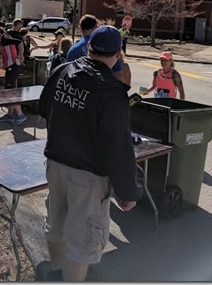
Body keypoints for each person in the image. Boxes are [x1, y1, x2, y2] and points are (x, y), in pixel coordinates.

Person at [38, 25, 143, 281]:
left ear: (88, 48)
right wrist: (128, 191)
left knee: (57, 225)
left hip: (55, 162)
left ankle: (55, 272)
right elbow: (118, 148)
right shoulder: (112, 92)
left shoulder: (62, 70)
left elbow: (43, 108)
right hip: (86, 176)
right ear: (119, 53)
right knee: (83, 241)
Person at [66, 15, 130, 85]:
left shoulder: (74, 49)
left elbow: (68, 75)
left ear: (80, 29)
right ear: (96, 27)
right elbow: (118, 74)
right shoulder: (108, 46)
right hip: (105, 89)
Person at [0, 26, 27, 126]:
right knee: (10, 90)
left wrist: (20, 56)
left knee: (10, 92)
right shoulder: (4, 40)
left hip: (13, 67)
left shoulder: (6, 39)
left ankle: (20, 115)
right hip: (10, 67)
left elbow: (20, 43)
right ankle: (10, 114)